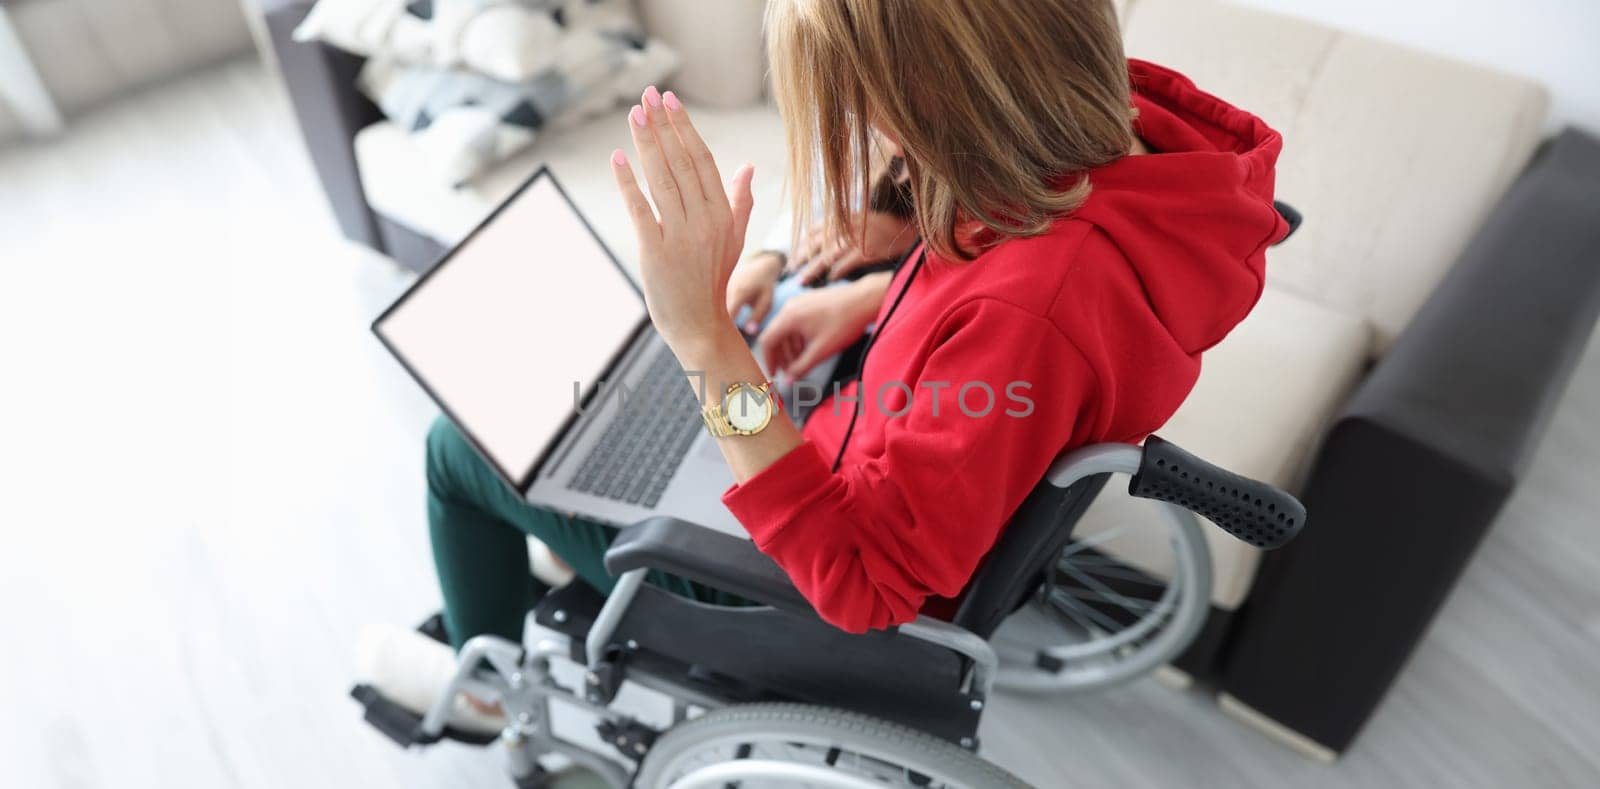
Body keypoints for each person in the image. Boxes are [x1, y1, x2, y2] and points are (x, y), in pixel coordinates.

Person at [360, 0, 1288, 728]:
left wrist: (706, 344)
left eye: (866, 110)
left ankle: (484, 676)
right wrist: (872, 299)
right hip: (847, 442)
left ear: (947, 102)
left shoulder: (1029, 311)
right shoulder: (1118, 150)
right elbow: (1009, 309)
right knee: (591, 404)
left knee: (459, 445)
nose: (872, 139)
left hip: (794, 582)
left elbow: (860, 581)